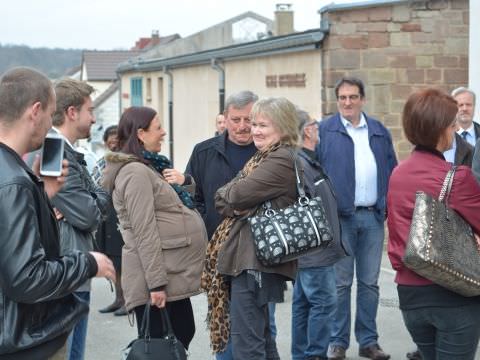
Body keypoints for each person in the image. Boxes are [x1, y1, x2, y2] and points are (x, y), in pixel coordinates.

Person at [0, 67, 115, 360]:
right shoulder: (14, 181)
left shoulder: (16, 175)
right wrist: (87, 263)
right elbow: (26, 277)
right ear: (35, 111)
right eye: (52, 114)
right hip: (19, 340)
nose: (52, 124)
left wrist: (43, 194)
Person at [101, 106, 207, 350]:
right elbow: (143, 231)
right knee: (162, 346)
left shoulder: (150, 167)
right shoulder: (135, 172)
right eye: (158, 128)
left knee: (179, 336)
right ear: (140, 133)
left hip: (169, 275)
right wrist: (156, 285)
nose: (163, 132)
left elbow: (171, 208)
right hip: (157, 280)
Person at [387, 88, 480, 360]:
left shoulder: (397, 173)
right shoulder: (457, 178)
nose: (454, 131)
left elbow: (396, 233)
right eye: (451, 126)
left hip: (410, 294)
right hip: (453, 293)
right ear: (439, 130)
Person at [202, 97, 298, 360]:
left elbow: (228, 197)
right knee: (262, 341)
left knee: (248, 346)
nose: (254, 130)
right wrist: (238, 197)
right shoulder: (266, 157)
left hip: (254, 262)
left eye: (262, 125)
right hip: (252, 261)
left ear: (283, 126)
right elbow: (228, 196)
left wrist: (238, 197)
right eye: (254, 124)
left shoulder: (279, 160)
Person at [316, 77, 397, 360]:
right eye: (343, 98)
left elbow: (392, 169)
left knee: (369, 284)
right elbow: (314, 175)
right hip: (340, 220)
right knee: (340, 284)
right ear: (337, 100)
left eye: (352, 97)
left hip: (373, 218)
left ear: (362, 99)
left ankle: (368, 342)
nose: (347, 102)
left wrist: (386, 206)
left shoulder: (378, 131)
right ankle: (338, 343)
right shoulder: (325, 130)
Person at [50, 78, 110, 360]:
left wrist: (92, 196)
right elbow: (88, 215)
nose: (94, 118)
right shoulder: (54, 152)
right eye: (90, 110)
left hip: (73, 269)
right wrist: (93, 197)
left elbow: (99, 199)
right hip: (68, 272)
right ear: (72, 112)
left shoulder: (68, 152)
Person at [291, 110, 347, 360]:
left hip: (312, 251)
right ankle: (314, 355)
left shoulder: (308, 160)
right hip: (315, 251)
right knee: (323, 303)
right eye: (315, 124)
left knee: (303, 305)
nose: (319, 128)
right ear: (307, 130)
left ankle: (303, 355)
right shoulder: (301, 164)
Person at [93, 125, 127, 316]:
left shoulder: (126, 160)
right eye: (110, 138)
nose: (113, 141)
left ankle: (129, 300)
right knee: (111, 258)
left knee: (122, 258)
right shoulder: (102, 160)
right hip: (104, 213)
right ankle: (118, 298)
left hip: (119, 213)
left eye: (117, 138)